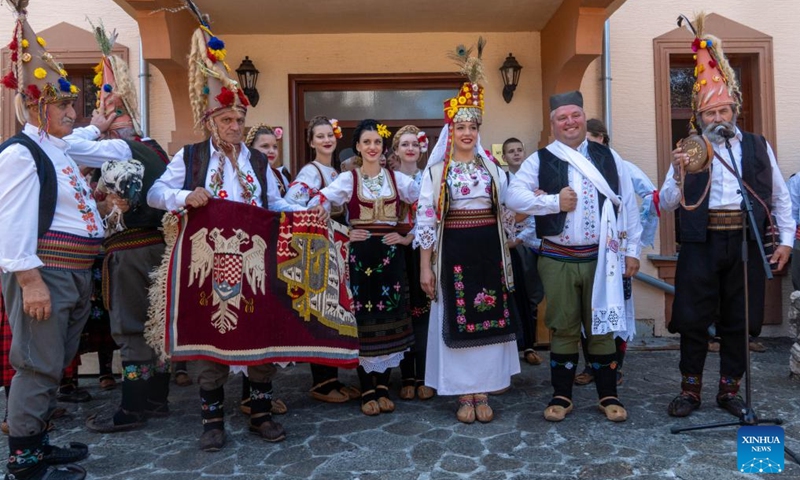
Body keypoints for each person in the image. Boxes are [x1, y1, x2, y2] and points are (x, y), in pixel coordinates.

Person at [146, 5, 308, 451]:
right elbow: (154, 194)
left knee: (259, 334)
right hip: (208, 259)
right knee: (211, 341)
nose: (236, 127)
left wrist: (309, 206)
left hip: (255, 257)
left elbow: (275, 202)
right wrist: (184, 197)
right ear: (210, 122)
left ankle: (259, 414)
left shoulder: (259, 161)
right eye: (228, 121)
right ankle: (212, 423)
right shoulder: (190, 158)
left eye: (240, 121)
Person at [0, 4, 125, 478]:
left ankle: (39, 440)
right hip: (46, 271)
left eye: (73, 105)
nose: (71, 112)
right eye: (63, 106)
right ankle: (25, 462)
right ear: (36, 107)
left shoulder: (57, 145)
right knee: (37, 364)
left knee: (55, 362)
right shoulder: (21, 152)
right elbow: (9, 221)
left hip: (73, 270)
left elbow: (92, 139)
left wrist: (101, 122)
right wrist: (30, 279)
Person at [660, 14, 793, 419]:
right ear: (699, 118)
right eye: (710, 114)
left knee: (739, 320)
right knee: (692, 319)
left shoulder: (756, 146)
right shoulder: (690, 148)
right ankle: (690, 391)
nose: (718, 119)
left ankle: (729, 391)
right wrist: (679, 172)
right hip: (700, 243)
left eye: (724, 111)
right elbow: (666, 202)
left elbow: (781, 198)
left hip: (744, 243)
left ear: (735, 109)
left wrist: (785, 240)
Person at [507, 90, 642, 423]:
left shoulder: (610, 158)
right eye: (562, 118)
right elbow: (513, 197)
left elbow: (629, 206)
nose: (570, 122)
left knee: (601, 328)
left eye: (575, 116)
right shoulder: (539, 159)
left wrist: (632, 251)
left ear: (584, 117)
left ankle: (609, 395)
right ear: (553, 124)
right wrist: (553, 202)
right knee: (563, 327)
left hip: (603, 261)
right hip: (558, 258)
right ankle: (561, 395)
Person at [68, 21, 177, 433]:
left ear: (118, 119)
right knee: (156, 324)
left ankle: (134, 407)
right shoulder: (154, 149)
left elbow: (69, 146)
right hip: (157, 246)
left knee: (132, 327)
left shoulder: (118, 146)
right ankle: (158, 400)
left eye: (107, 110)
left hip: (130, 249)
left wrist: (94, 125)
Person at [416, 39, 520, 424]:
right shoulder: (435, 173)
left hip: (489, 252)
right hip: (452, 251)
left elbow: (510, 206)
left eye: (473, 126)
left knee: (489, 313)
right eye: (460, 126)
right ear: (451, 129)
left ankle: (484, 388)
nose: (467, 133)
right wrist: (425, 267)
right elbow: (426, 220)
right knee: (455, 317)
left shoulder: (493, 170)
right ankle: (463, 392)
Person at [310, 119, 419, 415]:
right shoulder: (349, 179)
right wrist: (343, 232)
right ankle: (367, 388)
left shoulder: (399, 181)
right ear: (358, 146)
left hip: (390, 256)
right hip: (359, 257)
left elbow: (429, 207)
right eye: (367, 142)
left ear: (383, 148)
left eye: (377, 143)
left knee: (389, 314)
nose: (372, 147)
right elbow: (316, 203)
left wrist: (408, 237)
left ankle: (382, 386)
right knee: (363, 319)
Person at [574, 118, 660, 386]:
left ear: (602, 138)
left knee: (617, 308)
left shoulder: (621, 165)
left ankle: (614, 367)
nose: (586, 146)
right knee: (586, 308)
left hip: (616, 251)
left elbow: (651, 196)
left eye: (590, 140)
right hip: (586, 249)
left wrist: (637, 241)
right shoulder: (575, 166)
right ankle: (591, 366)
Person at [285, 116, 360, 404]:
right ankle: (323, 383)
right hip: (320, 247)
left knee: (333, 310)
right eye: (320, 136)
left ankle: (331, 379)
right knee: (323, 311)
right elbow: (292, 201)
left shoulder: (331, 171)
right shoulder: (312, 172)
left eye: (330, 135)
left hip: (335, 247)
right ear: (311, 142)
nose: (326, 140)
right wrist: (316, 213)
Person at [390, 125, 435, 401]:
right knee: (402, 310)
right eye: (404, 144)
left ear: (421, 150)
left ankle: (425, 374)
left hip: (422, 249)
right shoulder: (388, 179)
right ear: (396, 151)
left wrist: (412, 238)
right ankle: (406, 375)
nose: (410, 149)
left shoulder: (430, 177)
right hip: (396, 249)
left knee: (425, 310)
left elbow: (433, 216)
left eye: (414, 145)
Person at [501, 138, 545, 367]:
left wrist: (520, 239)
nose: (516, 154)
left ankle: (530, 345)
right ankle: (513, 346)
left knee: (532, 294)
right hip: (507, 245)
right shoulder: (502, 181)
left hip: (529, 243)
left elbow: (537, 213)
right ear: (504, 157)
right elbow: (504, 213)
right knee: (513, 294)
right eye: (511, 151)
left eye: (519, 150)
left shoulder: (533, 180)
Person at [246, 124, 290, 194]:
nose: (272, 151)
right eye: (265, 146)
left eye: (275, 147)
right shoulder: (244, 174)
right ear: (251, 148)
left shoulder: (280, 176)